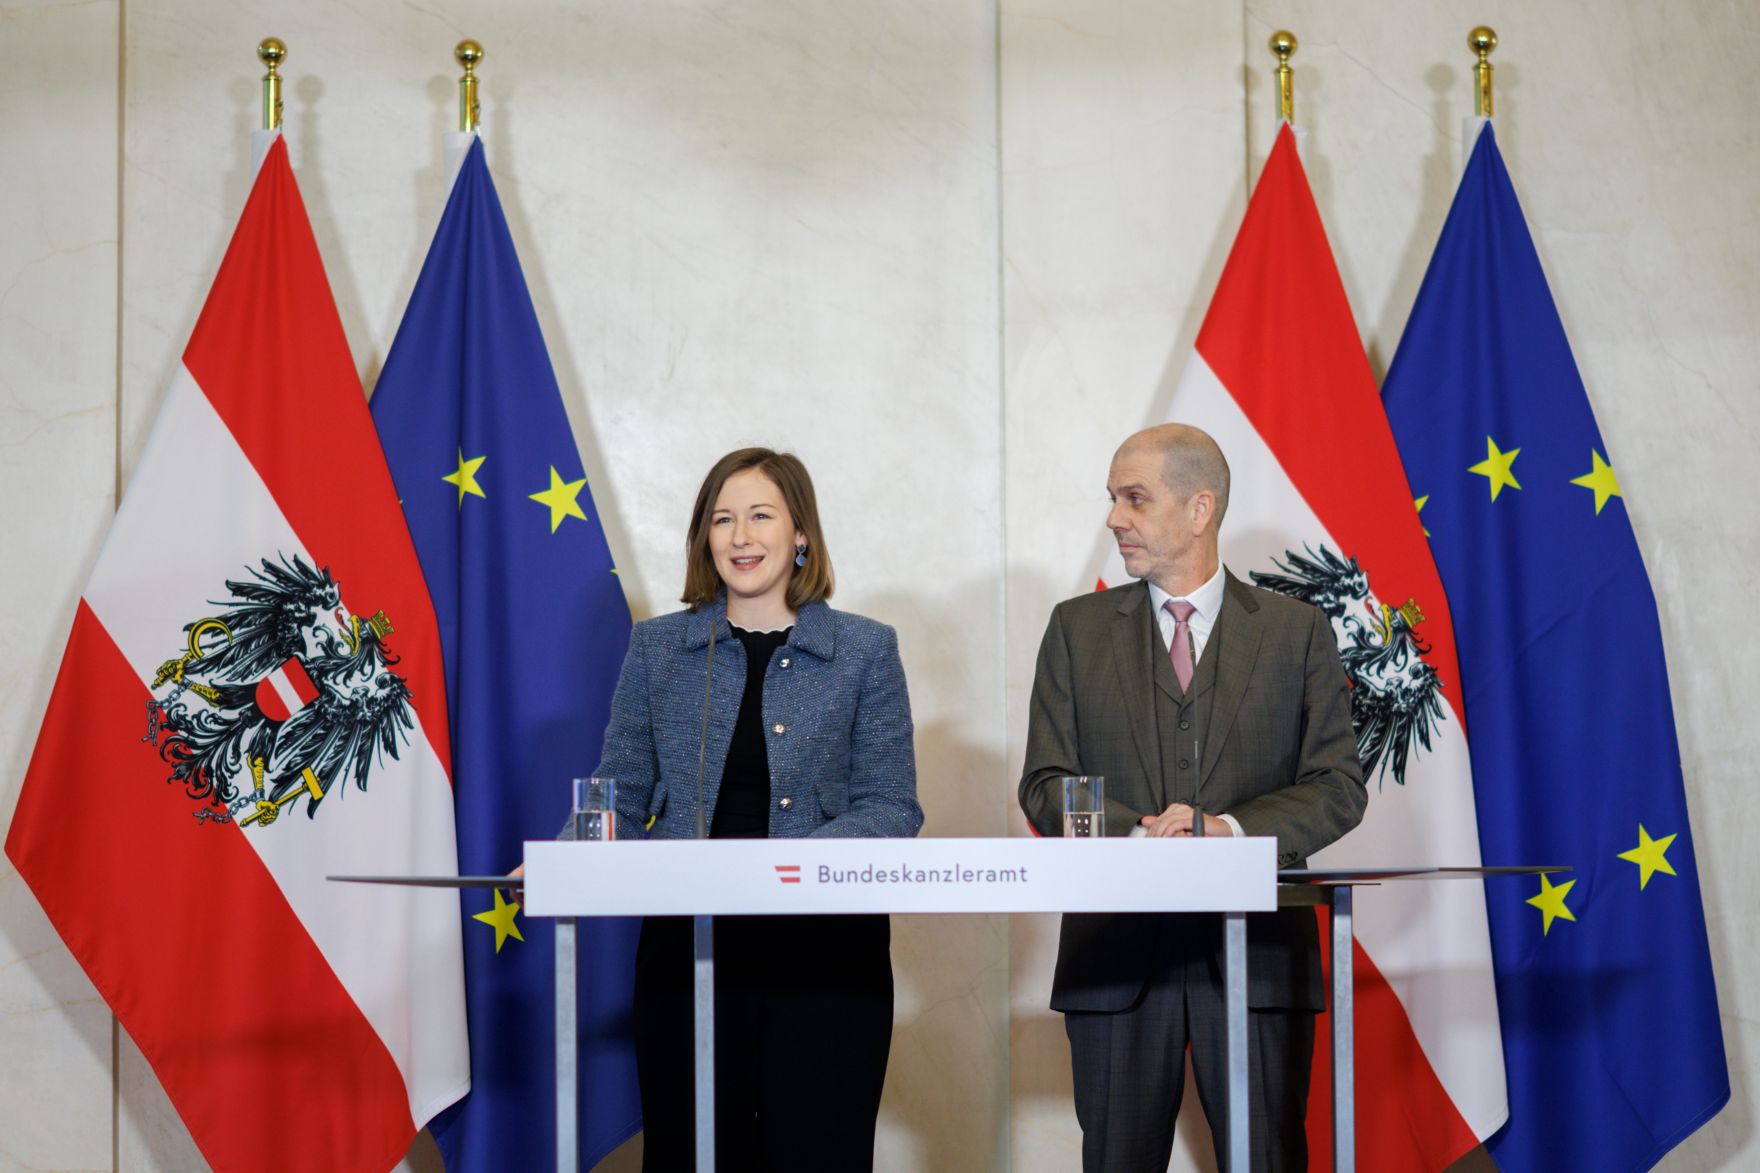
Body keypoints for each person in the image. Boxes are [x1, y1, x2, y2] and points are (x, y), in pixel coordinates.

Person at [1018, 423, 1366, 1172]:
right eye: (1113, 497)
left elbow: (1338, 785)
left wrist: (1232, 829)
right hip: (1112, 961)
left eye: (1134, 497)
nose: (1114, 516)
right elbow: (1047, 784)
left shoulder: (1296, 632)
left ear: (1199, 508)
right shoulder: (1074, 631)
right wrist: (1138, 835)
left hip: (1261, 961)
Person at [587, 447, 921, 1172]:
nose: (741, 535)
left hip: (829, 959)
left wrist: (785, 864)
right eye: (722, 519)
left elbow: (892, 805)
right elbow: (619, 785)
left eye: (761, 515)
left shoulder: (866, 650)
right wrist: (563, 856)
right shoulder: (656, 650)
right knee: (692, 1154)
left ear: (800, 533)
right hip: (689, 952)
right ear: (704, 538)